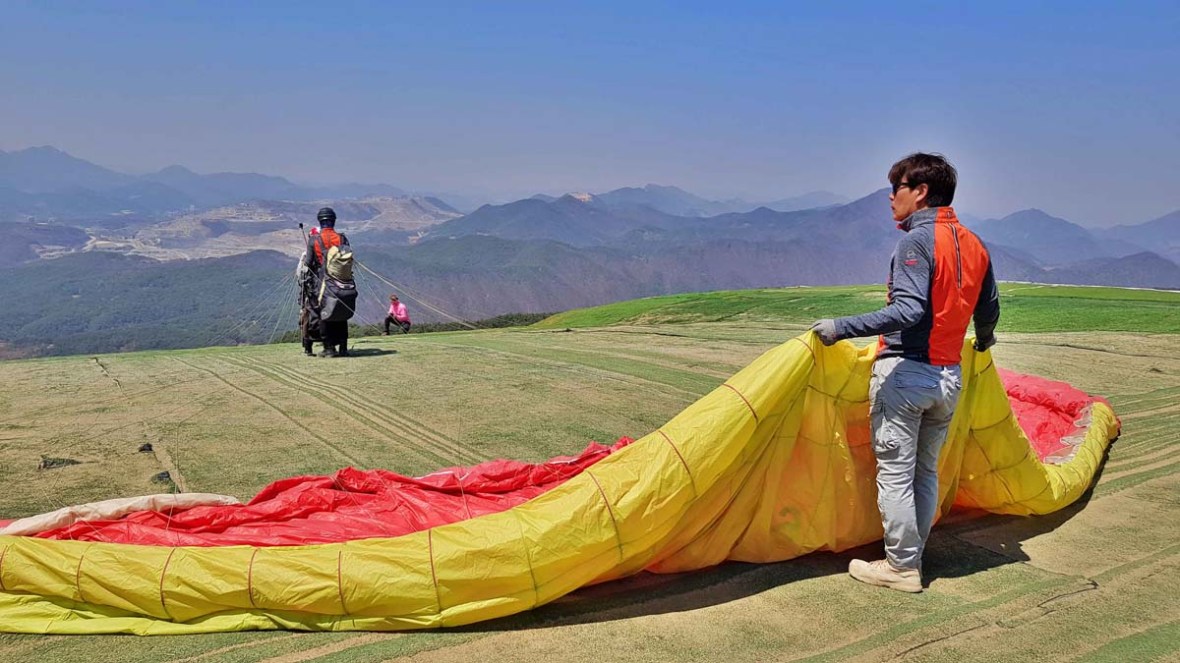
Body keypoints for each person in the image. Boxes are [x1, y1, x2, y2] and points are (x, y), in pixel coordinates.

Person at [809, 153, 1000, 593]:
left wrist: (840, 328)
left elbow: (908, 310)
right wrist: (984, 342)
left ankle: (901, 567)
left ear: (920, 192)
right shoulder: (975, 244)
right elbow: (989, 309)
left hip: (907, 374)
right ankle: (913, 556)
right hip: (948, 378)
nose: (890, 197)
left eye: (896, 188)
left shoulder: (916, 242)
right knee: (925, 472)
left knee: (895, 474)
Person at [303, 206, 351, 357]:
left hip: (322, 283)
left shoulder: (314, 240)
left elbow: (308, 263)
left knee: (324, 314)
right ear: (333, 221)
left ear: (320, 221)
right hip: (342, 281)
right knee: (341, 312)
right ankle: (343, 347)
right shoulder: (342, 238)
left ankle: (329, 348)